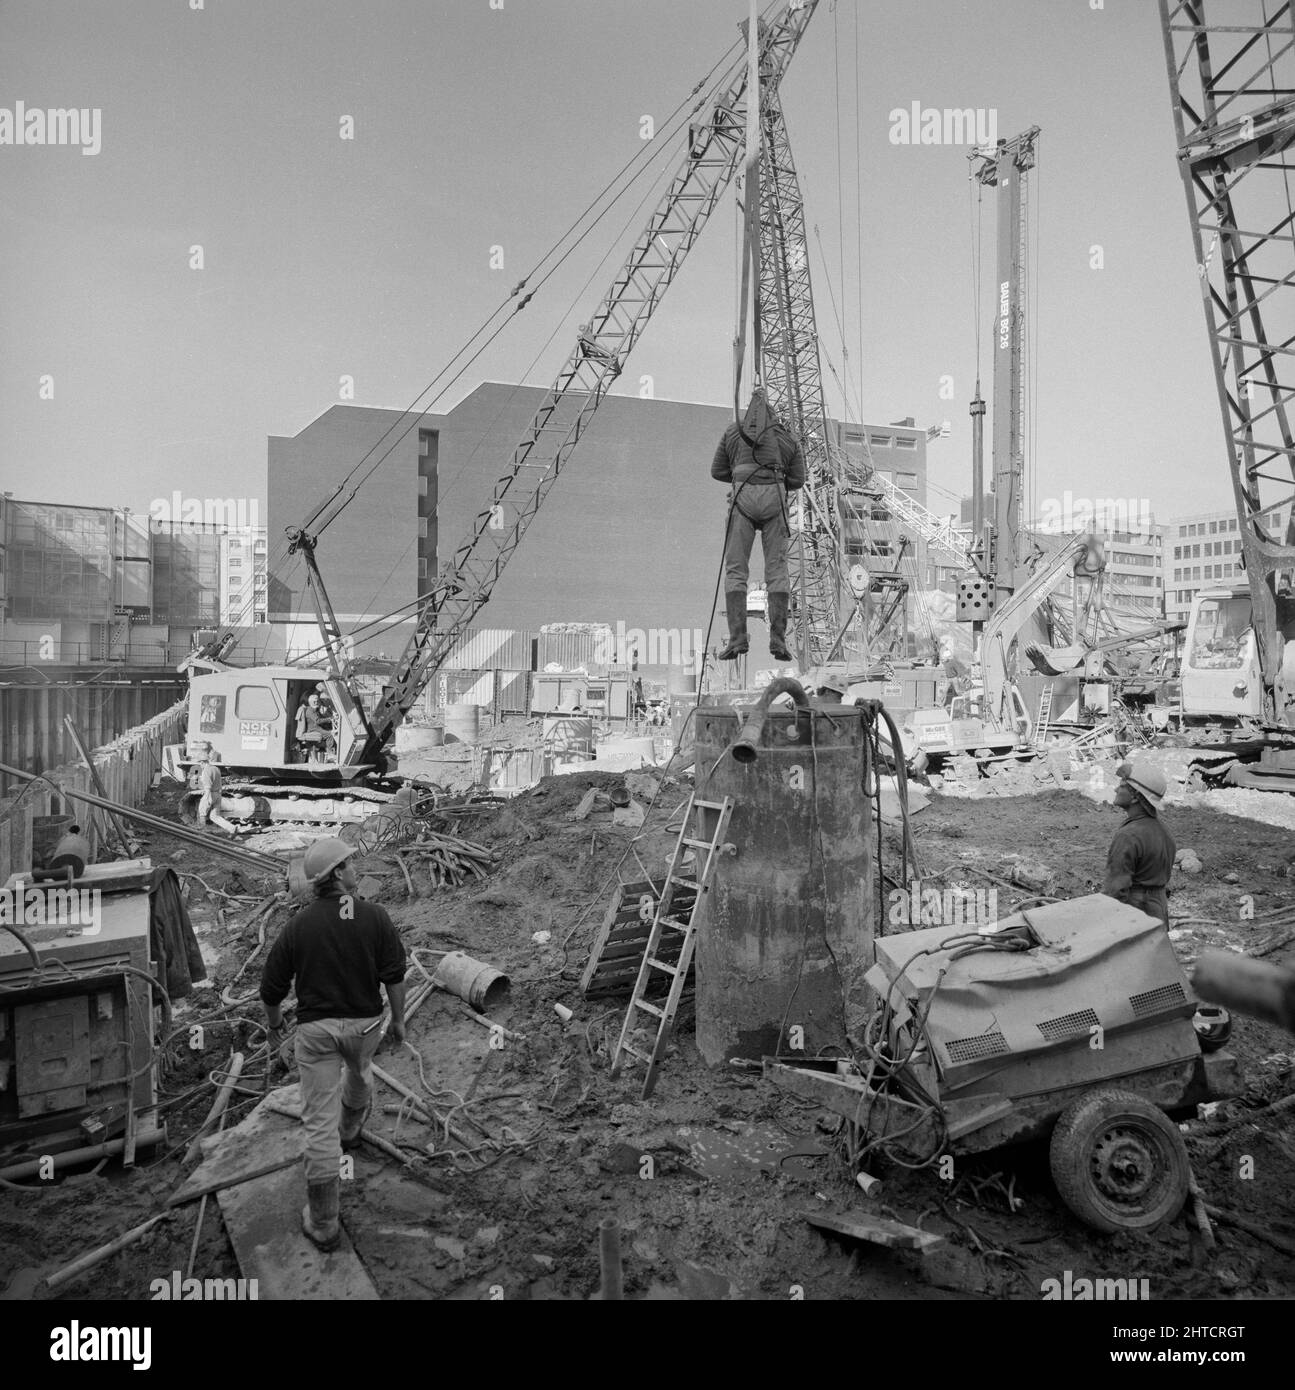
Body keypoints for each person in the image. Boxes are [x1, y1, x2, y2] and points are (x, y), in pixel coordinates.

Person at [259, 837, 408, 1251]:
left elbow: (270, 988)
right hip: (363, 1027)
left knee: (317, 1123)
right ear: (338, 874)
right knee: (360, 1071)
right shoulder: (375, 917)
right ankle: (352, 1128)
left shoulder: (298, 926)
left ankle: (323, 1223)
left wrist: (274, 1026)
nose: (357, 868)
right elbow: (394, 975)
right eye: (351, 862)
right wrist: (397, 1021)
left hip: (317, 1032)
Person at [711, 388, 806, 661]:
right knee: (777, 571)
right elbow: (798, 480)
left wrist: (742, 474)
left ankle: (737, 639)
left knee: (736, 569)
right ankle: (778, 641)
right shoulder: (786, 438)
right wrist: (773, 478)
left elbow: (716, 471)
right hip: (774, 501)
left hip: (742, 501)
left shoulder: (733, 432)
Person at [1102, 761, 1175, 928]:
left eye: (1121, 786)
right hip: (1158, 910)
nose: (1115, 790)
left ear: (1135, 796)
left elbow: (1116, 890)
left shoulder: (1128, 835)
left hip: (1136, 912)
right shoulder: (1164, 830)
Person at [196, 748, 240, 835]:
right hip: (218, 794)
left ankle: (202, 833)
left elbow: (208, 786)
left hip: (210, 794)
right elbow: (219, 782)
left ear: (202, 762)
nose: (199, 765)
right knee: (214, 816)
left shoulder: (206, 771)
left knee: (202, 813)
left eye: (199, 763)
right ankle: (232, 828)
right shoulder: (216, 769)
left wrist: (206, 798)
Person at [295, 693, 335, 762]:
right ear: (311, 702)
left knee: (330, 730)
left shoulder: (315, 710)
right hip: (313, 729)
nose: (317, 703)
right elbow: (318, 721)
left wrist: (329, 717)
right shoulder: (310, 711)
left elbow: (320, 718)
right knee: (330, 735)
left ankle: (331, 753)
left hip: (316, 728)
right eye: (315, 701)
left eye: (317, 701)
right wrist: (329, 719)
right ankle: (330, 755)